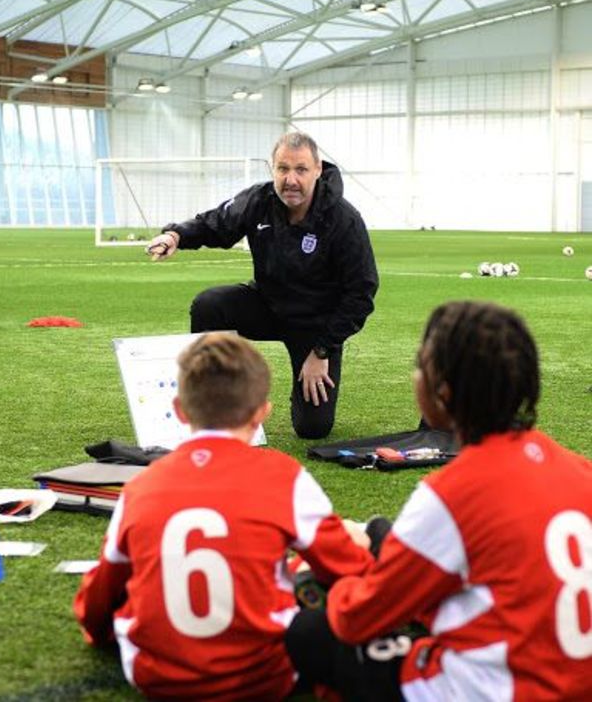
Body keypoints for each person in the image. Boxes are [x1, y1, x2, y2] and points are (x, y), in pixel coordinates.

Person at [286, 300, 592, 701]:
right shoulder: (578, 468)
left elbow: (358, 618)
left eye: (420, 365)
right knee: (385, 536)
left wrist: (338, 583)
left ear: (441, 391)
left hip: (497, 688)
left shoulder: (455, 493)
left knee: (310, 635)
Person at [74, 332, 374, 701]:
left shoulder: (141, 486)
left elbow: (97, 602)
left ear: (180, 409)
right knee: (334, 561)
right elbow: (349, 567)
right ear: (263, 412)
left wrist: (99, 631)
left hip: (156, 677)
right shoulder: (284, 477)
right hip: (265, 677)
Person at [145, 131, 379, 440]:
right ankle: (212, 399)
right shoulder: (259, 200)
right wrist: (175, 235)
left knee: (313, 428)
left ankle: (303, 387)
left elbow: (361, 293)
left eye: (301, 169)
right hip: (268, 306)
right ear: (273, 169)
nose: (290, 179)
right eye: (283, 168)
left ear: (318, 170)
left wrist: (322, 350)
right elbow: (215, 224)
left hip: (315, 327)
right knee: (210, 305)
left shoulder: (343, 219)